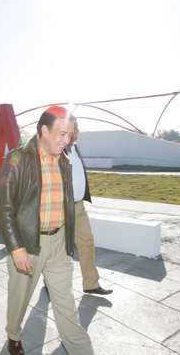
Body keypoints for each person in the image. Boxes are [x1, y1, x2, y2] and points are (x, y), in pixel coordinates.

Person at [0, 106, 94, 355]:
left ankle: (81, 350)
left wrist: (68, 239)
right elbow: (4, 208)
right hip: (27, 243)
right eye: (62, 134)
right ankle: (13, 335)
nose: (66, 141)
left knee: (66, 305)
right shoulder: (18, 158)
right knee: (19, 298)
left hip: (59, 243)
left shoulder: (65, 161)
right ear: (44, 130)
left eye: (70, 135)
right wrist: (16, 247)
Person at [66, 118, 112, 295]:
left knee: (87, 242)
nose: (78, 131)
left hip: (79, 207)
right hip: (62, 209)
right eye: (76, 128)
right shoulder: (56, 150)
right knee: (59, 250)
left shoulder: (75, 148)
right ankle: (51, 283)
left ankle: (91, 283)